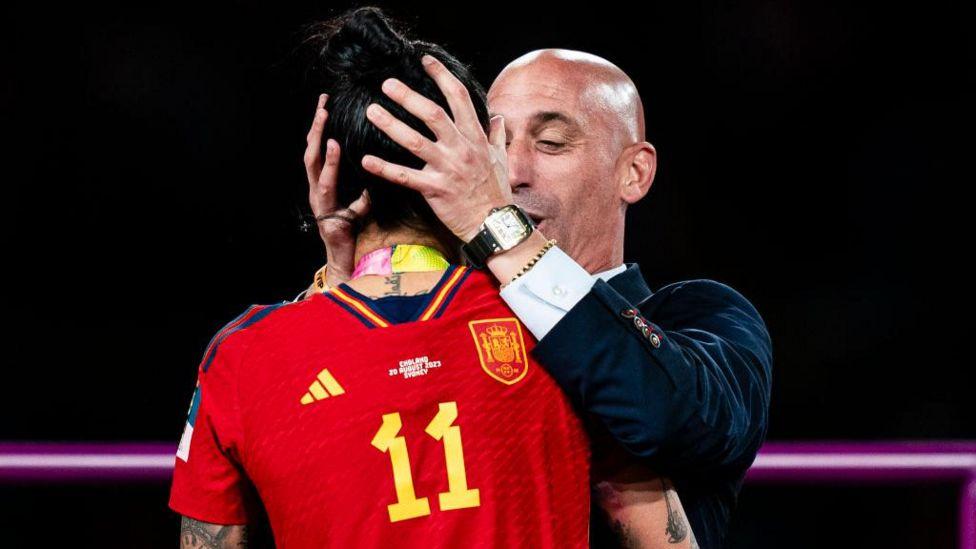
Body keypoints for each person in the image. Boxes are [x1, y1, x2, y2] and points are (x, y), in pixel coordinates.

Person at [170, 7, 695, 548]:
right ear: (475, 159)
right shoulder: (561, 331)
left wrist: (335, 277)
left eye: (550, 144)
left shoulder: (240, 359)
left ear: (332, 173)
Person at [306, 45, 773, 548]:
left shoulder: (704, 316)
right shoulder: (437, 321)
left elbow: (666, 417)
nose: (510, 174)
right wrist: (350, 270)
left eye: (550, 143)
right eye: (496, 146)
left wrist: (496, 224)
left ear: (633, 173)